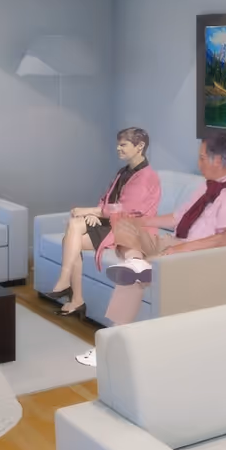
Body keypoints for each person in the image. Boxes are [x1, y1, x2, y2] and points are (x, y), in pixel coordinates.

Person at [72, 131, 226, 368]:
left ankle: (110, 348)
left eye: (202, 157)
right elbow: (177, 218)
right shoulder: (209, 187)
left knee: (132, 278)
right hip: (175, 241)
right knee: (124, 225)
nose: (199, 163)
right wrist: (140, 222)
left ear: (218, 160)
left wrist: (180, 249)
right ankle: (136, 263)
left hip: (198, 257)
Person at [48, 126, 162, 316]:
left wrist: (91, 211)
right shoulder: (124, 171)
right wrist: (96, 214)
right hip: (113, 222)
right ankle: (74, 296)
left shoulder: (147, 177)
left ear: (140, 146)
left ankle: (68, 287)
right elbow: (107, 199)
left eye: (123, 145)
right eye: (118, 145)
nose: (118, 149)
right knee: (71, 238)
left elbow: (127, 209)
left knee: (73, 228)